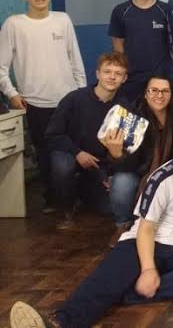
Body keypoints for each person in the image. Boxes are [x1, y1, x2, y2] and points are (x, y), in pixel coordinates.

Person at [9, 111, 173, 328]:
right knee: (107, 276)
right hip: (144, 242)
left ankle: (125, 294)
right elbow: (146, 228)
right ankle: (59, 322)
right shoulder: (163, 178)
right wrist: (148, 269)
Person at [0, 0, 86, 213]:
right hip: (35, 103)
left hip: (68, 99)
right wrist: (12, 93)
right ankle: (53, 199)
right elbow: (1, 66)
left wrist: (81, 91)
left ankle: (75, 197)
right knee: (45, 153)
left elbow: (74, 57)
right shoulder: (14, 24)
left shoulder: (62, 20)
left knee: (74, 150)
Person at [46, 52, 130, 231]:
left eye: (118, 73)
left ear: (124, 78)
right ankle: (66, 210)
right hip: (70, 153)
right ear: (98, 74)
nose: (112, 77)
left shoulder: (124, 107)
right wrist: (77, 153)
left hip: (98, 164)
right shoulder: (74, 99)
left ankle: (83, 191)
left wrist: (106, 174)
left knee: (107, 209)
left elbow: (120, 147)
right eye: (107, 72)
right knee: (63, 167)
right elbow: (53, 134)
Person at [108, 75, 173, 245]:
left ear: (172, 94)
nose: (159, 95)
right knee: (122, 181)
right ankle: (123, 225)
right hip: (140, 172)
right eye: (153, 90)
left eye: (165, 91)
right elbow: (127, 166)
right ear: (145, 94)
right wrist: (117, 154)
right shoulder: (132, 119)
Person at [108, 0, 171, 105]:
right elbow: (118, 46)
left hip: (160, 79)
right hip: (132, 79)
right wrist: (124, 72)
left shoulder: (166, 10)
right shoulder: (120, 11)